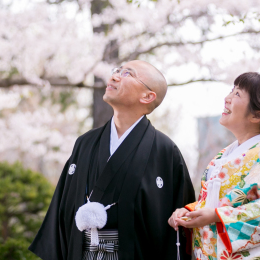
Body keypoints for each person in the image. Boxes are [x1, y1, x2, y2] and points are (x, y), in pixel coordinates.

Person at [30, 60, 196, 260]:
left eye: (127, 74)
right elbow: (62, 209)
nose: (114, 76)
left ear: (148, 96)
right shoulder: (86, 143)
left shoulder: (165, 151)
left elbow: (181, 223)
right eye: (116, 71)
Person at [168, 72, 260, 260]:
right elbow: (220, 202)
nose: (227, 99)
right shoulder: (226, 153)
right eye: (231, 91)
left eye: (237, 94)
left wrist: (217, 216)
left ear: (257, 115)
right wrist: (190, 212)